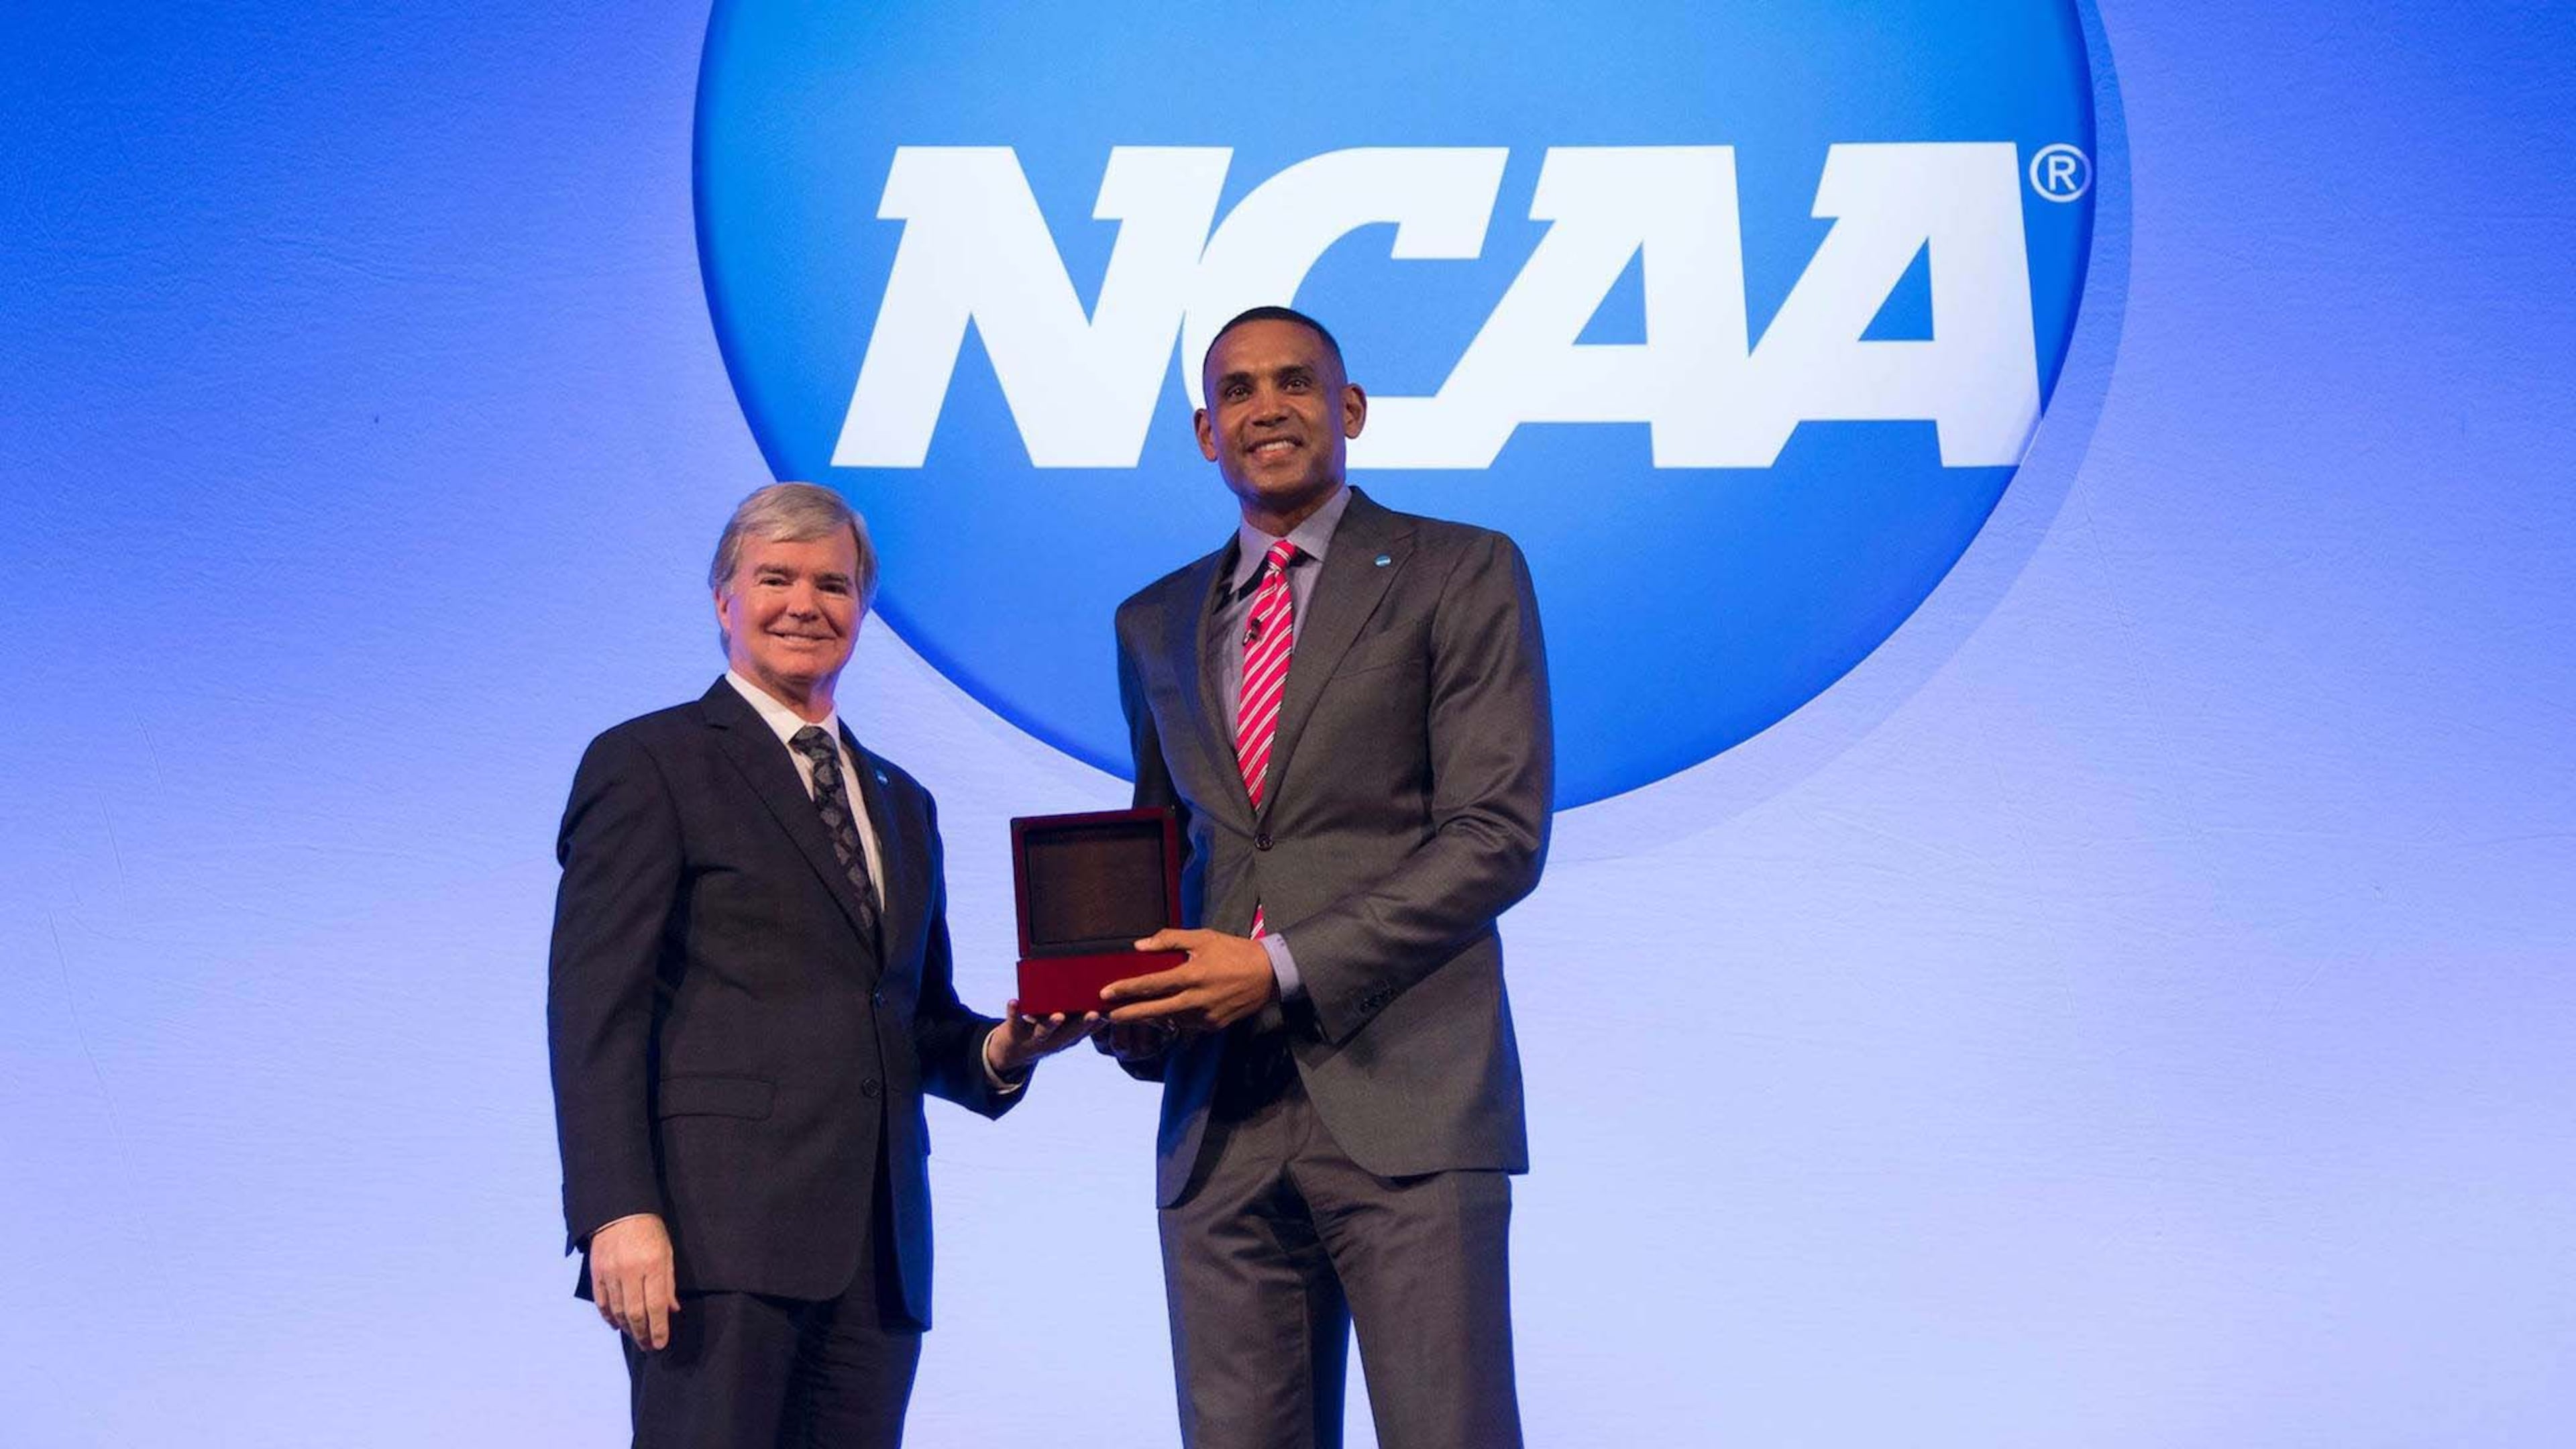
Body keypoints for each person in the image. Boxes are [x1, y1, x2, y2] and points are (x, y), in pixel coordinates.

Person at [547, 482, 1095, 1448]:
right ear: (725, 600)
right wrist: (615, 1212)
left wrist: (1009, 1048)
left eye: (834, 585)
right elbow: (596, 1009)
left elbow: (913, 1023)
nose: (806, 604)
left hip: (879, 1261)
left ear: (863, 610)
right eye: (776, 579)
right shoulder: (650, 762)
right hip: (712, 1246)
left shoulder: (902, 801)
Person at [1099, 307, 1553, 1449]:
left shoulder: (1462, 570)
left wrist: (1279, 967)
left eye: (1295, 383)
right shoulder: (1153, 620)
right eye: (1239, 392)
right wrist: (1122, 995)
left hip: (1408, 1096)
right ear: (1207, 432)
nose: (1268, 409)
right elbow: (1168, 844)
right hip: (1219, 1120)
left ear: (1348, 410)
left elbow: (1497, 832)